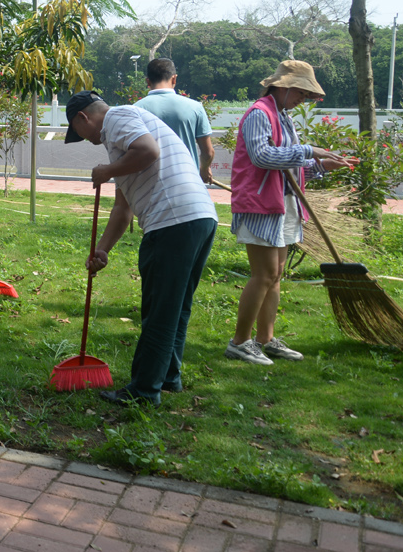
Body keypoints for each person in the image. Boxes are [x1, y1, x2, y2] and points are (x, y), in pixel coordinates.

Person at [67, 91, 221, 405]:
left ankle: (143, 391)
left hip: (173, 222)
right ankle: (167, 378)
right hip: (198, 218)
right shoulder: (122, 139)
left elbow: (148, 151)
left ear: (83, 118)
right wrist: (103, 250)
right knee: (176, 307)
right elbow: (123, 209)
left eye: (76, 132)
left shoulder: (118, 118)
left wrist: (107, 171)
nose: (82, 139)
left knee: (160, 309)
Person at [226, 60, 354, 366]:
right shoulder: (260, 112)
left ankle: (265, 339)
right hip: (260, 205)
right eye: (301, 92)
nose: (303, 100)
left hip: (283, 203)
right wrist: (310, 150)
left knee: (276, 275)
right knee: (264, 274)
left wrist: (321, 165)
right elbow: (262, 156)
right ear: (282, 86)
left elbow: (287, 160)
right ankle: (240, 342)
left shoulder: (281, 115)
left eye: (307, 96)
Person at [135, 58, 214, 184]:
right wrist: (204, 169)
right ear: (174, 79)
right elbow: (208, 152)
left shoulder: (135, 109)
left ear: (148, 81)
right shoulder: (195, 107)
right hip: (186, 182)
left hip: (148, 184)